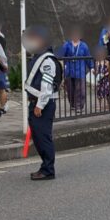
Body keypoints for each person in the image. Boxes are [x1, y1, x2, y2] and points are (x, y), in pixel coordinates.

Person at [23, 26, 60, 181]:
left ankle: (48, 170)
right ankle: (45, 167)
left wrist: (40, 105)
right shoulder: (40, 57)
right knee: (39, 137)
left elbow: (47, 84)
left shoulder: (47, 60)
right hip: (37, 103)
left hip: (42, 104)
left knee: (43, 137)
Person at [59, 27, 92, 114]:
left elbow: (88, 57)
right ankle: (73, 104)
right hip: (69, 70)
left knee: (80, 89)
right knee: (70, 89)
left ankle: (79, 106)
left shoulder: (84, 45)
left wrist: (92, 67)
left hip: (80, 70)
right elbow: (61, 55)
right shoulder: (67, 44)